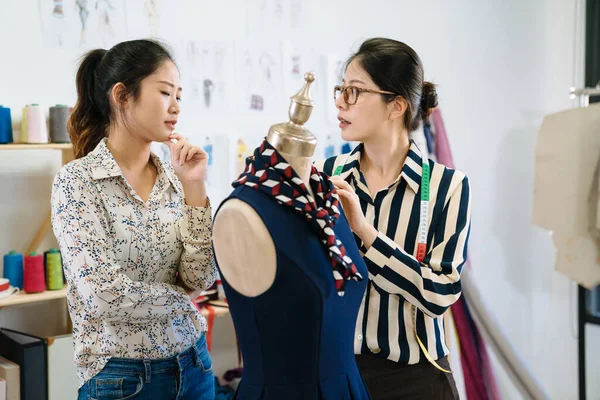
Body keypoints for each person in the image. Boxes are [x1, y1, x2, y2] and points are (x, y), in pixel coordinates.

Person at [51, 39, 216, 400]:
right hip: (120, 377)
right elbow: (104, 295)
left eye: (179, 95)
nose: (175, 106)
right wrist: (181, 297)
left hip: (194, 365)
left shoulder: (177, 176)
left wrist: (195, 188)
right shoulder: (76, 183)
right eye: (164, 92)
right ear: (122, 96)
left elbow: (201, 277)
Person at [315, 37, 472, 400]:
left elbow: (439, 294)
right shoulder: (326, 175)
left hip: (417, 380)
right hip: (339, 372)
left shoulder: (448, 186)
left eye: (354, 91)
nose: (340, 101)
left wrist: (365, 232)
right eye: (340, 89)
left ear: (395, 106)